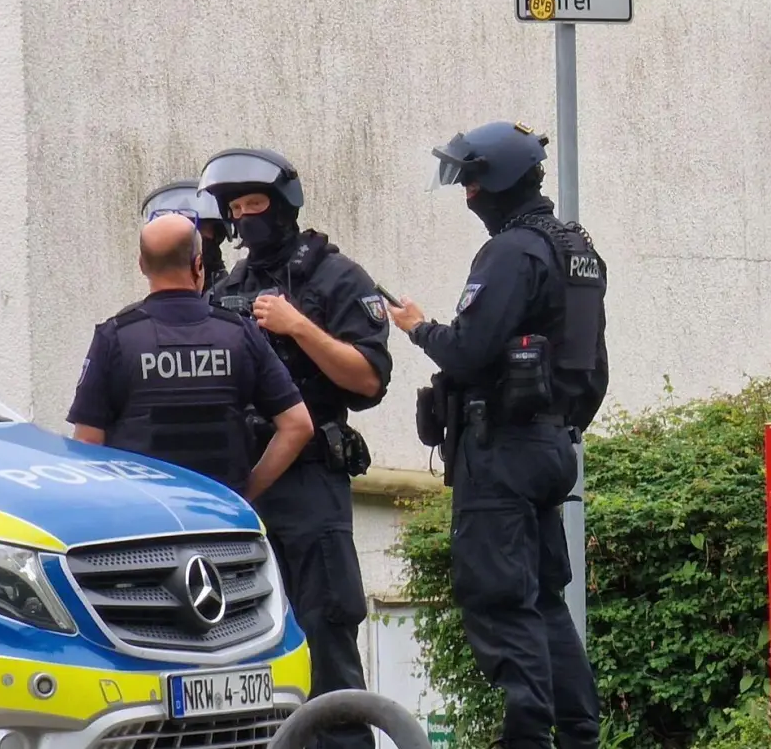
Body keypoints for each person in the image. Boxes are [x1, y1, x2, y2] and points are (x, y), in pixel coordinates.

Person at [385, 121, 606, 749]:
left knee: (502, 601)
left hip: (502, 451)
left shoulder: (512, 252)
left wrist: (418, 327)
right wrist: (559, 429)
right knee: (544, 602)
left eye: (473, 181)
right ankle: (580, 737)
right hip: (550, 446)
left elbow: (471, 350)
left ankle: (527, 740)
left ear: (500, 180)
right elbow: (593, 364)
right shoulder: (577, 249)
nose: (468, 196)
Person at [196, 147, 391, 749]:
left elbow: (369, 380)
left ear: (283, 206)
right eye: (236, 208)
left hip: (310, 486)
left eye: (256, 203)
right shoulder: (227, 289)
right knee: (240, 648)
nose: (247, 217)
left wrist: (297, 326)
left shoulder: (337, 278)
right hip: (243, 489)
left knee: (327, 636)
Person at [67, 212, 314, 500]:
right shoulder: (240, 333)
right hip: (223, 520)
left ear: (142, 265)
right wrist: (244, 495)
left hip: (146, 521)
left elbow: (87, 444)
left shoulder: (115, 337)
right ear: (198, 265)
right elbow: (298, 425)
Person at [141, 179, 232, 293]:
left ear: (217, 234)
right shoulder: (149, 306)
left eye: (197, 228)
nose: (186, 238)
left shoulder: (233, 296)